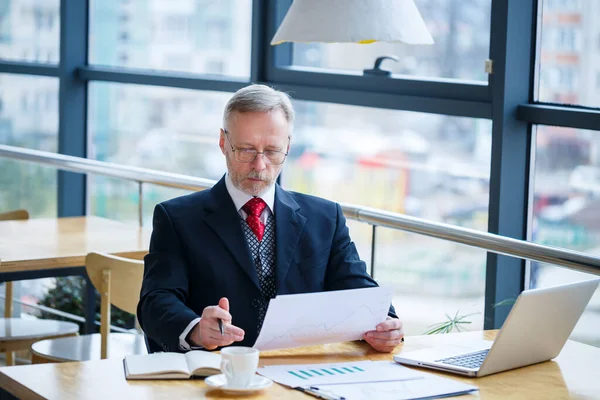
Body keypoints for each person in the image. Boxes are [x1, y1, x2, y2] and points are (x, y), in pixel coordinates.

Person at [137, 84, 403, 354]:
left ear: (288, 145)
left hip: (301, 372)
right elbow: (156, 301)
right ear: (223, 143)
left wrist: (387, 324)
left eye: (273, 151)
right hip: (216, 373)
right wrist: (194, 329)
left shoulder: (325, 218)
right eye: (246, 150)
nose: (260, 165)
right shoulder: (177, 219)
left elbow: (358, 290)